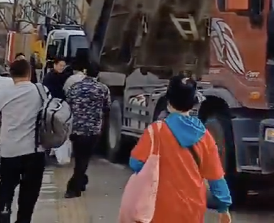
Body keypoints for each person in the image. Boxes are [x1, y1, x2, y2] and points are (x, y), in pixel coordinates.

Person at [129, 75, 232, 223]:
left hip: (159, 209)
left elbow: (135, 163)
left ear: (168, 101)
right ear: (193, 103)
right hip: (192, 210)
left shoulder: (155, 131)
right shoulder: (204, 136)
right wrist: (224, 208)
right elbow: (216, 178)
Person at [0, 58, 48, 223]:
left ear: (11, 74)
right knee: (29, 193)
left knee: (6, 189)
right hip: (35, 151)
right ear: (29, 73)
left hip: (10, 151)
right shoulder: (41, 91)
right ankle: (23, 220)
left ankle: (5, 217)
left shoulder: (3, 95)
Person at [64, 64, 110, 198]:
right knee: (83, 158)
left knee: (79, 157)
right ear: (98, 75)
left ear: (85, 73)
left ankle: (81, 181)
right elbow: (107, 107)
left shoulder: (75, 87)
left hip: (75, 129)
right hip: (92, 130)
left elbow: (67, 103)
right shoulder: (102, 89)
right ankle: (74, 187)